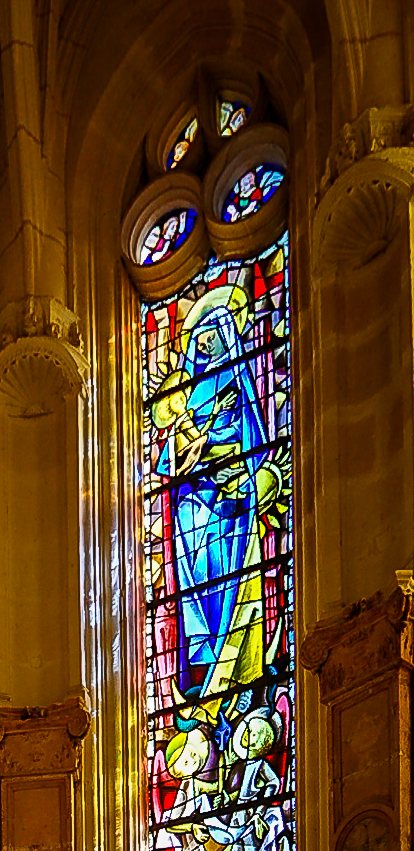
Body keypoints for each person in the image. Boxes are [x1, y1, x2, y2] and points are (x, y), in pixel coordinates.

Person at [154, 286, 268, 727]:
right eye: (199, 336)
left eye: (211, 333)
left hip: (232, 503)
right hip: (193, 504)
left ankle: (235, 670)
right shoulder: (191, 391)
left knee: (228, 579)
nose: (203, 342)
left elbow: (252, 437)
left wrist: (220, 450)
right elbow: (172, 456)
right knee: (196, 580)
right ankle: (202, 661)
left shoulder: (239, 383)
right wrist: (193, 443)